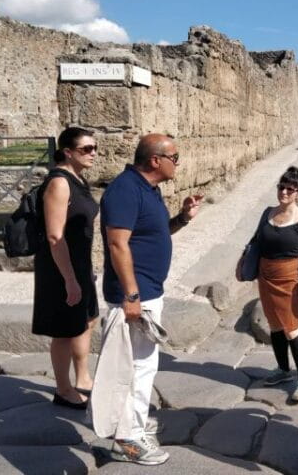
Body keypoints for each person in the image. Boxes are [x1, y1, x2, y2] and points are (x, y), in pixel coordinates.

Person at [101, 134, 203, 466]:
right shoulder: (125, 191)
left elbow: (153, 233)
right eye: (175, 157)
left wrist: (183, 218)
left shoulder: (149, 190)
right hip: (135, 295)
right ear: (155, 160)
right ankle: (127, 438)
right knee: (134, 368)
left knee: (144, 365)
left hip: (148, 291)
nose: (179, 162)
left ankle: (134, 422)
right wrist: (131, 294)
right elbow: (118, 245)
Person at [32, 127, 99, 410]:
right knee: (63, 331)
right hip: (60, 268)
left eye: (95, 148)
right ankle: (63, 389)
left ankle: (83, 378)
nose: (93, 153)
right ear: (67, 152)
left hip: (79, 264)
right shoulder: (59, 183)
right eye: (86, 149)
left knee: (86, 321)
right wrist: (70, 279)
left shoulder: (78, 179)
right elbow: (54, 236)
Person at [238, 166, 298, 402]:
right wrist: (244, 263)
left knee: (291, 328)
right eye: (281, 187)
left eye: (290, 189)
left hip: (289, 277)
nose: (284, 192)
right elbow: (255, 240)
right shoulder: (267, 213)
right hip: (265, 275)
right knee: (274, 326)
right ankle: (283, 370)